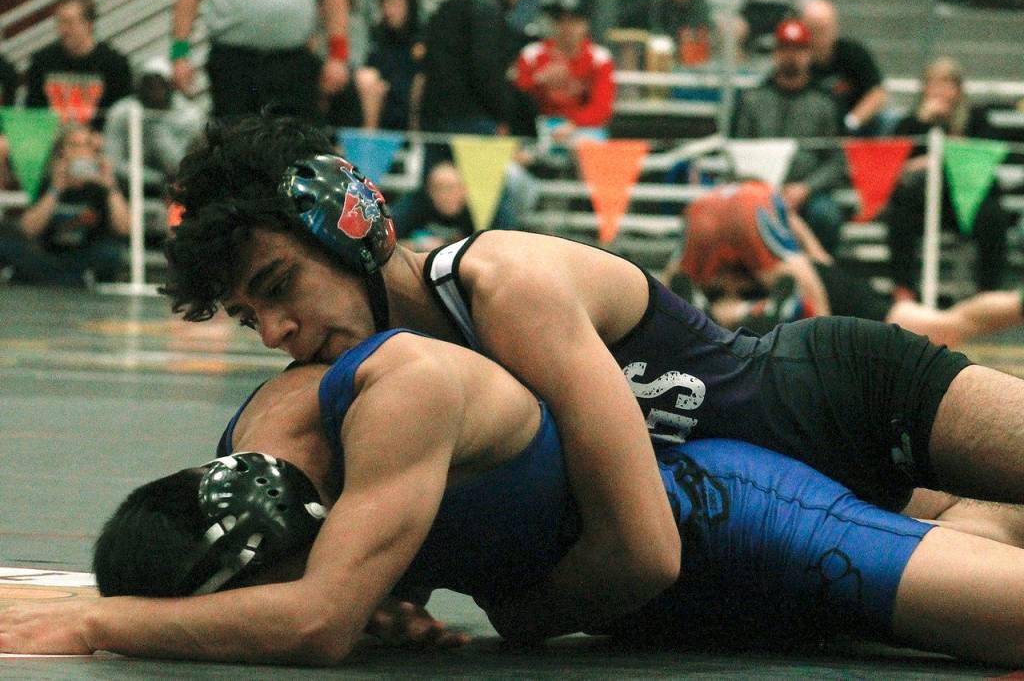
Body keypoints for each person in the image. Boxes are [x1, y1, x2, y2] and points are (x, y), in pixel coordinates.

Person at [160, 116, 1024, 548]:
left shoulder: (499, 285)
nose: (277, 331)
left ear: (351, 225)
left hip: (843, 395)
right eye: (248, 317)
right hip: (788, 502)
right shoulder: (393, 382)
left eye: (279, 288)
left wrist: (527, 618)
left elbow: (641, 544)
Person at [8, 329, 1024, 667]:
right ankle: (974, 520)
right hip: (655, 614)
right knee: (934, 598)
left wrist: (99, 621)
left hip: (727, 520)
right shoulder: (269, 460)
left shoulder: (395, 392)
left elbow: (311, 618)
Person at [666, 179, 1024, 349]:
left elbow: (810, 292)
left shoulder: (708, 215)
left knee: (939, 329)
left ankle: (1018, 305)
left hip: (808, 287)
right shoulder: (749, 207)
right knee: (942, 325)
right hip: (802, 280)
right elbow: (795, 236)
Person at [170, 0, 350, 121]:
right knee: (234, 138)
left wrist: (338, 55)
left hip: (294, 64)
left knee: (299, 142)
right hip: (233, 65)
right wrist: (179, 54)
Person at [886, 56, 1009, 299]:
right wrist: (922, 122)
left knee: (994, 214)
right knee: (898, 212)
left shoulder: (976, 119)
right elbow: (892, 162)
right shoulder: (910, 123)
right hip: (921, 202)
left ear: (958, 89)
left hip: (967, 201)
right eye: (933, 83)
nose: (939, 91)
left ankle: (988, 291)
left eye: (946, 84)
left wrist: (945, 156)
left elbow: (988, 155)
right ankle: (904, 288)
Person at [731, 18, 849, 254]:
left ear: (809, 53)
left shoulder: (825, 103)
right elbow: (737, 152)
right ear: (776, 52)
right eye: (785, 48)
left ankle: (819, 279)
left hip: (809, 194)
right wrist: (762, 188)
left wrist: (805, 188)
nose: (791, 56)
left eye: (799, 49)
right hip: (758, 189)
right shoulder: (752, 100)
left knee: (826, 215)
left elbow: (837, 160)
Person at [418, 0, 530, 143]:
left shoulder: (456, 1)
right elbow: (486, 71)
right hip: (472, 120)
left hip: (436, 114)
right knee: (478, 174)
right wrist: (503, 113)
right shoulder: (487, 10)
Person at [0, 123, 128, 286]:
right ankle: (65, 279)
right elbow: (29, 229)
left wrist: (111, 186)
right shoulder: (48, 179)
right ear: (63, 151)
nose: (81, 152)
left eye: (87, 145)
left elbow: (125, 228)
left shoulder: (102, 185)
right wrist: (55, 189)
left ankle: (62, 279)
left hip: (83, 254)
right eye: (74, 145)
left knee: (111, 252)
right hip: (48, 254)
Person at [514, 0, 616, 146]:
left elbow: (602, 108)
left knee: (587, 145)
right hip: (538, 126)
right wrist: (539, 80)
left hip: (583, 127)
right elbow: (515, 99)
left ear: (585, 24)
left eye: (574, 22)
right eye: (561, 21)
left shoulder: (600, 58)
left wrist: (574, 124)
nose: (567, 28)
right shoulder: (532, 54)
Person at [24, 0, 132, 129]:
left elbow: (121, 116)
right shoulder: (42, 61)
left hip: (96, 144)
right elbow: (32, 112)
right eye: (59, 22)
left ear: (89, 24)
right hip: (52, 141)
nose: (63, 30)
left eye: (69, 22)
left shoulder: (115, 64)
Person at [103, 57, 205, 197]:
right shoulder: (121, 112)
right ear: (139, 86)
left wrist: (158, 132)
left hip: (177, 185)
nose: (155, 91)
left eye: (160, 84)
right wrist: (154, 178)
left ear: (170, 86)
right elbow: (112, 160)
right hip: (128, 186)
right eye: (149, 85)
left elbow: (184, 163)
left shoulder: (189, 115)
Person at [802, 0, 889, 136]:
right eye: (813, 30)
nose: (819, 36)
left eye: (824, 29)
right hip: (811, 129)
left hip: (855, 129)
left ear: (835, 27)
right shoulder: (798, 61)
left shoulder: (853, 53)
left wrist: (850, 123)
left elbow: (877, 94)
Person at [350, 0, 425, 132]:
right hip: (382, 103)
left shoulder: (421, 39)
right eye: (385, 4)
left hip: (410, 102)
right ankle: (369, 139)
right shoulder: (378, 38)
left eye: (396, 4)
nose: (389, 10)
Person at [393, 160, 474, 252]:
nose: (452, 195)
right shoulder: (413, 207)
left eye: (458, 188)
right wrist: (417, 245)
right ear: (430, 191)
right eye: (444, 188)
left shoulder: (473, 213)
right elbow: (387, 246)